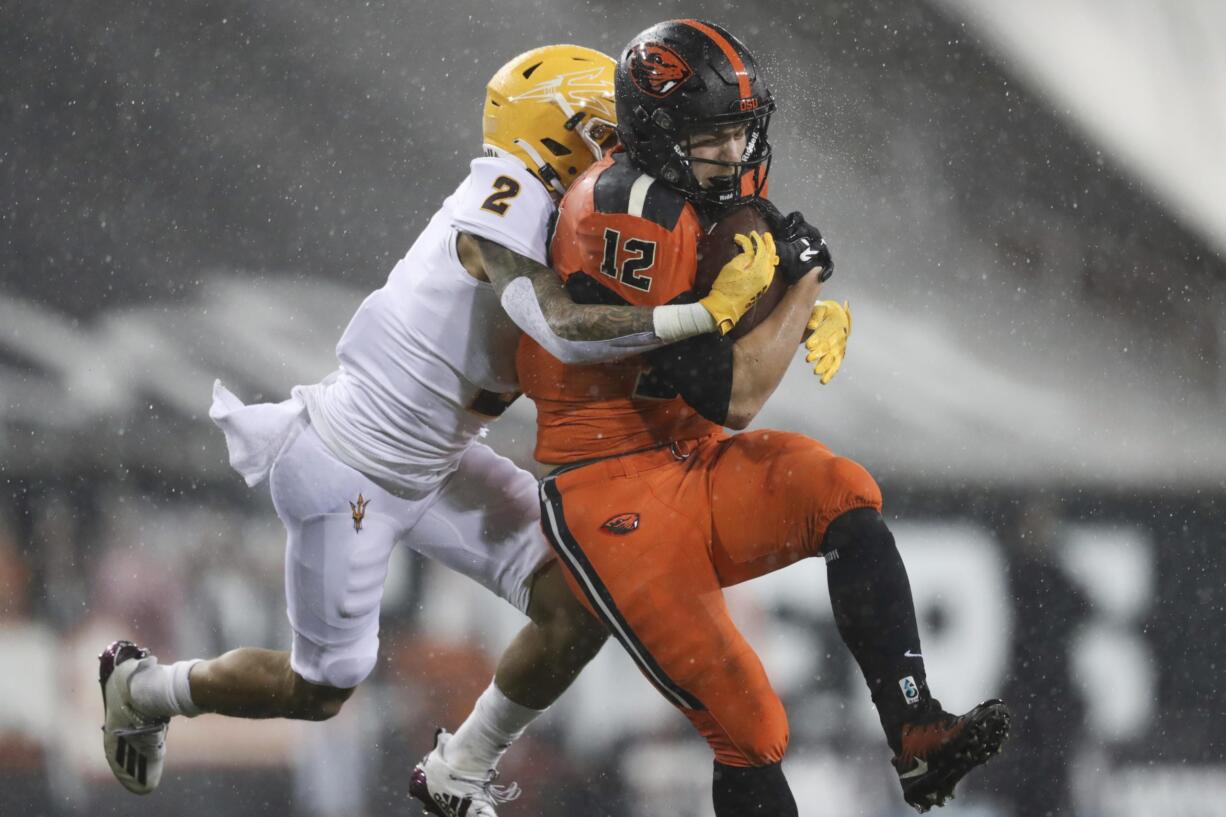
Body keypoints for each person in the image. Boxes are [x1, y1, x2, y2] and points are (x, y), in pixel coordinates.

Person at [97, 43, 779, 816]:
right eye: (607, 129)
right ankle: (145, 688)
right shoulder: (504, 190)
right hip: (352, 464)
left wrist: (787, 295)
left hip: (440, 459)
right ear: (558, 132)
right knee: (319, 688)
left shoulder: (579, 212)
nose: (624, 143)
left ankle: (461, 764)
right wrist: (703, 313)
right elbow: (556, 325)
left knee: (587, 597)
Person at [504, 19, 1011, 815]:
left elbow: (730, 332)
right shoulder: (624, 211)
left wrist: (793, 309)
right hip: (610, 487)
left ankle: (914, 728)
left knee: (842, 493)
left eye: (742, 132)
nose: (735, 154)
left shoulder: (695, 196)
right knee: (750, 722)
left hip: (683, 455)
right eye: (714, 137)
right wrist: (797, 296)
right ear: (660, 132)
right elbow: (731, 395)